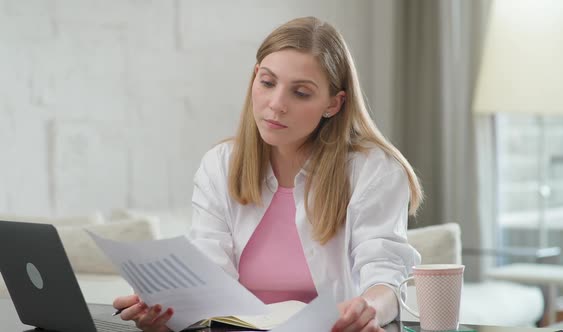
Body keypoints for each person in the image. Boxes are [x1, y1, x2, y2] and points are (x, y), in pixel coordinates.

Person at [113, 16, 422, 332]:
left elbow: (385, 276)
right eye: (268, 82)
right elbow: (209, 276)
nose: (276, 105)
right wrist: (167, 314)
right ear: (253, 80)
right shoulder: (220, 164)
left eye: (300, 92)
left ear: (333, 104)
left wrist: (366, 310)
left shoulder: (373, 170)